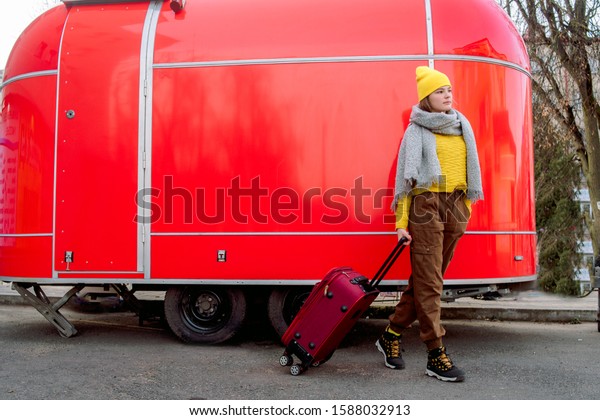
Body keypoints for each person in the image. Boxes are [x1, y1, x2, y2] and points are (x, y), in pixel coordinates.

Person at [376, 66, 484, 382]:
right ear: (427, 97)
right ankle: (435, 354)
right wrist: (401, 222)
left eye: (449, 89)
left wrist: (463, 205)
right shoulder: (416, 131)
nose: (447, 94)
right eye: (440, 91)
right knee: (430, 283)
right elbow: (406, 181)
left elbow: (470, 169)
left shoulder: (461, 124)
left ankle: (390, 334)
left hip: (455, 205)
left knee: (428, 279)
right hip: (424, 205)